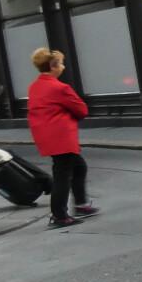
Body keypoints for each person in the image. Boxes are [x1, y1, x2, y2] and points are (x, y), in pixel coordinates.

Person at [28, 48, 97, 229]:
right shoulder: (60, 88)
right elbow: (82, 110)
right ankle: (59, 215)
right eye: (61, 62)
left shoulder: (34, 87)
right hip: (61, 137)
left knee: (79, 166)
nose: (63, 66)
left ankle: (80, 204)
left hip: (45, 136)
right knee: (62, 175)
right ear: (53, 65)